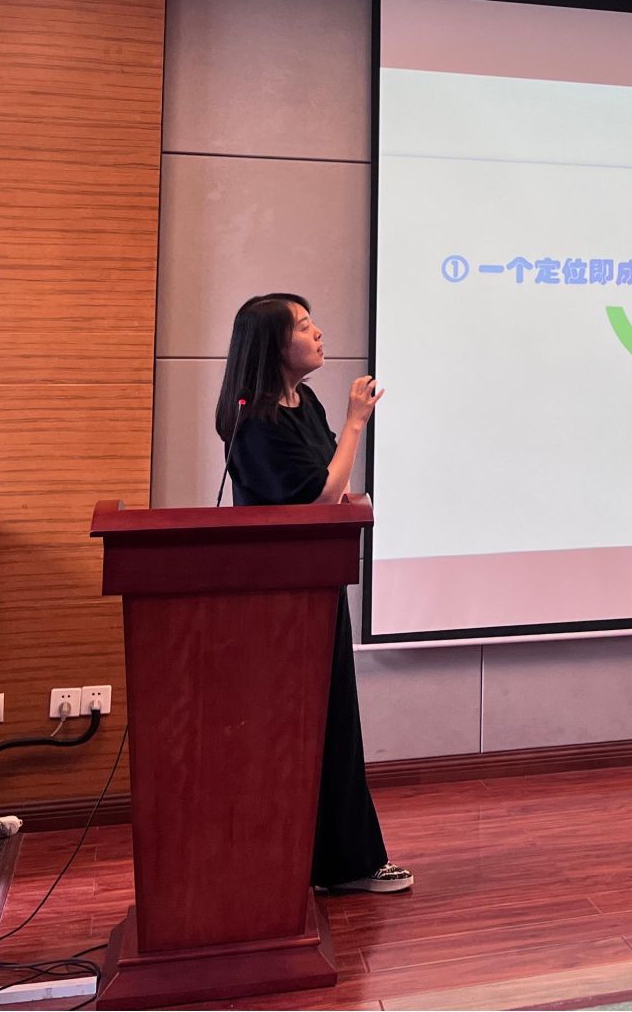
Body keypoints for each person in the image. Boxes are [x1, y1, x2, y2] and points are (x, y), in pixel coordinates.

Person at [216, 292, 411, 895]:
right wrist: (356, 422)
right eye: (304, 326)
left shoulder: (304, 403)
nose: (318, 333)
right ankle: (305, 863)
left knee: (334, 722)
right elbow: (316, 495)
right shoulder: (255, 421)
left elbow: (331, 485)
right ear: (274, 345)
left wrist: (352, 499)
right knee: (301, 726)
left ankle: (341, 862)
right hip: (281, 594)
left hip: (317, 579)